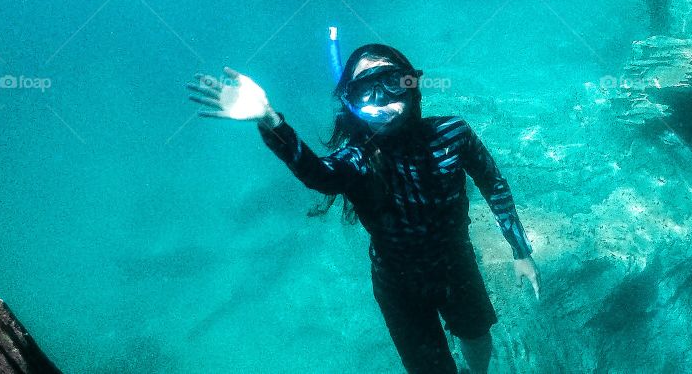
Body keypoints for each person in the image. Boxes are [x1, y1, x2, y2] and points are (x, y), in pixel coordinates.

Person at [188, 44, 539, 374]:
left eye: (392, 82)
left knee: (477, 334)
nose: (382, 99)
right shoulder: (358, 157)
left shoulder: (453, 133)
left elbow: (493, 183)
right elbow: (317, 174)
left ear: (411, 85)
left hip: (457, 265)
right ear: (352, 103)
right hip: (399, 286)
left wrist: (521, 251)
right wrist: (269, 120)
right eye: (365, 91)